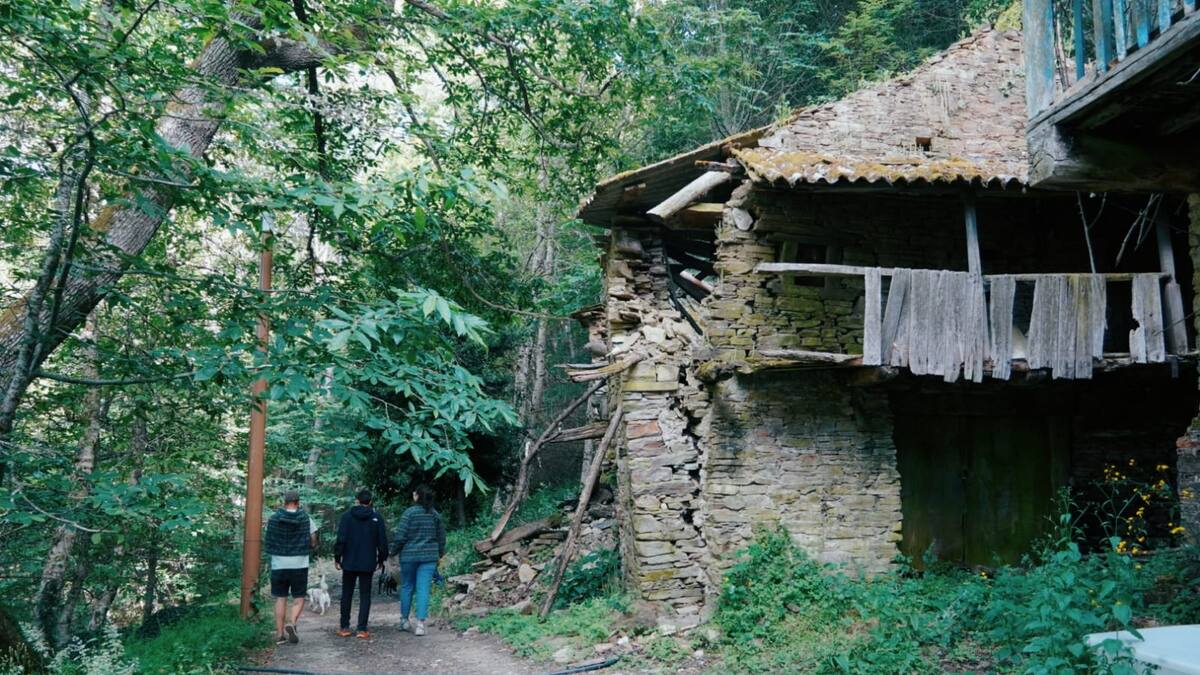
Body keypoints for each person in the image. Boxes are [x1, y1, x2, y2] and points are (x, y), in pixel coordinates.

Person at [263, 490, 318, 646]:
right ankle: (292, 623)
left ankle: (280, 635)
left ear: (284, 502)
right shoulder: (305, 518)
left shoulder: (274, 519)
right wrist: (310, 546)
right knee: (299, 597)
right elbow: (313, 539)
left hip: (279, 563)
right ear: (298, 502)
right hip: (299, 563)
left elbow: (269, 538)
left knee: (281, 598)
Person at [391, 484, 445, 636]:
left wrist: (393, 552)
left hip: (408, 556)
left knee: (407, 586)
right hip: (429, 558)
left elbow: (401, 536)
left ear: (418, 496)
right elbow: (441, 537)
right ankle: (420, 624)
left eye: (414, 493)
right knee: (423, 589)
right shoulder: (435, 515)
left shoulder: (409, 513)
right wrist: (439, 553)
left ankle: (404, 621)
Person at [333, 489, 388, 639]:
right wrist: (381, 560)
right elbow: (382, 542)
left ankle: (344, 627)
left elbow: (341, 539)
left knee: (347, 594)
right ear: (370, 502)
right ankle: (362, 629)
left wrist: (337, 558)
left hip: (349, 562)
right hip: (367, 562)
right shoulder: (376, 518)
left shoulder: (346, 517)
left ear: (357, 500)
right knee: (365, 595)